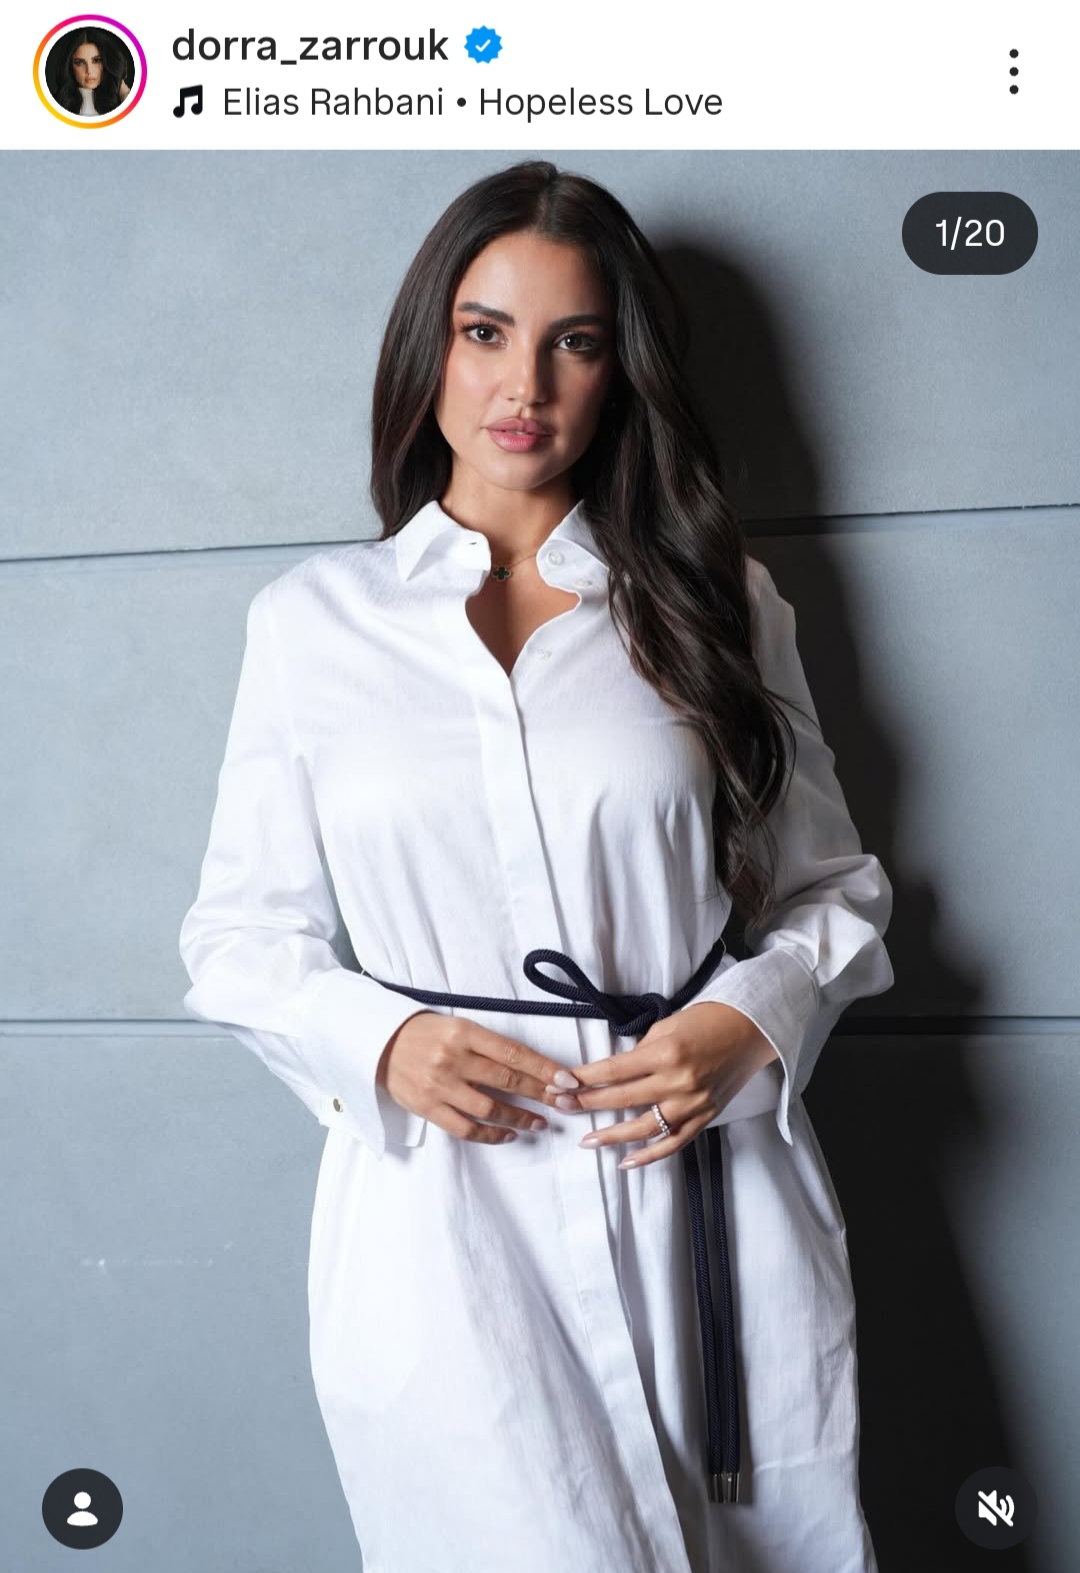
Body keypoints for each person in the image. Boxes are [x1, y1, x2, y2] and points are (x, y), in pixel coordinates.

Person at [179, 160, 895, 1572]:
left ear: (622, 371)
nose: (527, 385)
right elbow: (236, 938)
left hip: (705, 1195)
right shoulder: (311, 625)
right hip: (449, 1233)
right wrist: (384, 1043)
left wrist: (746, 1022)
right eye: (485, 331)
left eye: (576, 341)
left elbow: (836, 889)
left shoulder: (719, 604)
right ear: (429, 348)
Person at [54, 29, 131, 118]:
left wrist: (121, 86)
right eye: (80, 63)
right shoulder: (55, 105)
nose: (89, 71)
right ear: (70, 66)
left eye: (96, 60)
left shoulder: (119, 100)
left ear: (106, 62)